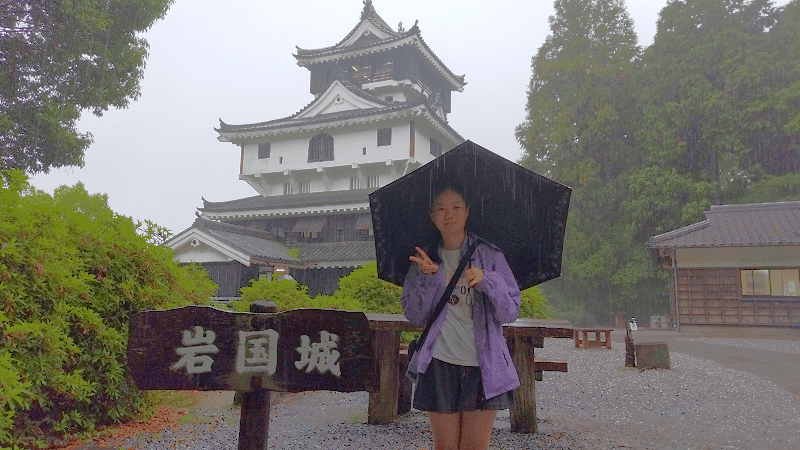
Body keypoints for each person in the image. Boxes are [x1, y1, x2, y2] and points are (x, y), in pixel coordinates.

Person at [401, 187, 521, 450]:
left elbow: (510, 311)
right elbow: (415, 315)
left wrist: (487, 280)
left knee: (475, 446)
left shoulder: (490, 255)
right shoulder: (424, 259)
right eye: (441, 208)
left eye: (456, 207)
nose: (449, 214)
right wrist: (425, 278)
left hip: (483, 365)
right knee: (445, 446)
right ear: (432, 216)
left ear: (467, 212)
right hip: (440, 362)